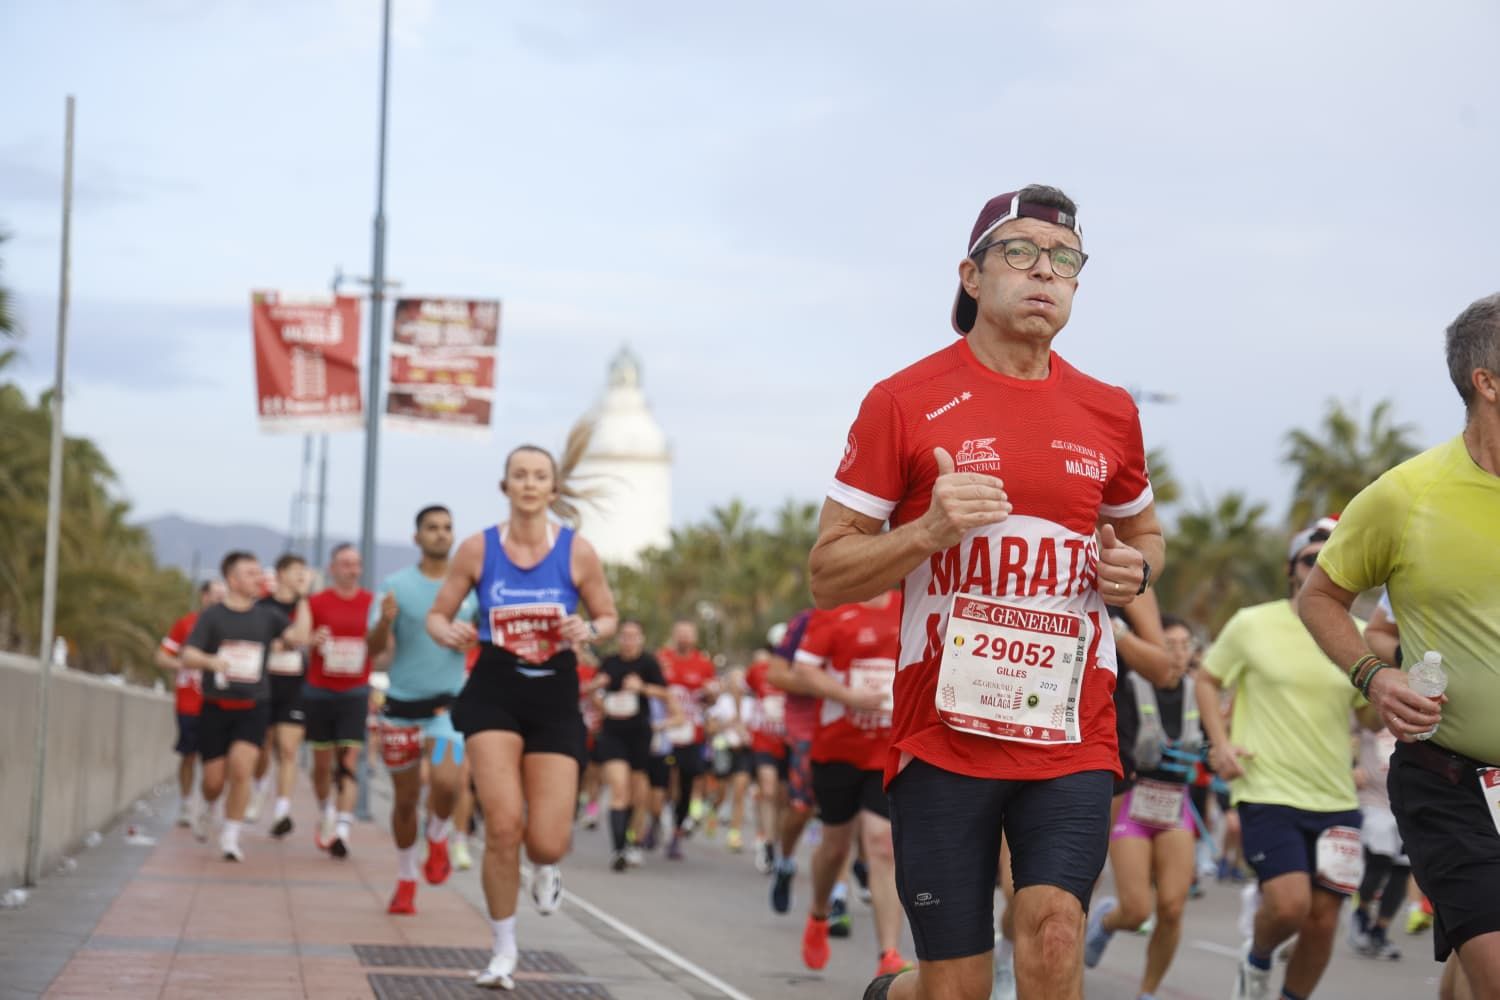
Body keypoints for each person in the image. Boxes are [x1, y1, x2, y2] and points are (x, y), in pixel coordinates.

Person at [808, 185, 1161, 1000]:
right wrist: (927, 532)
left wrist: (1135, 571)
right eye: (1020, 252)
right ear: (971, 275)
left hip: (1071, 727)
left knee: (1052, 935)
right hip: (944, 734)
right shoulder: (904, 400)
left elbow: (1144, 536)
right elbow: (827, 573)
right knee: (955, 990)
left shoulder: (1109, 411)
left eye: (1065, 259)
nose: (1046, 271)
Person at [1299, 293, 1500, 1000]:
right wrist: (1373, 677)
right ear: (1488, 382)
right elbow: (1319, 597)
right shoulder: (1407, 496)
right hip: (1451, 780)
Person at [427, 440, 618, 991]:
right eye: (520, 475)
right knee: (504, 824)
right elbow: (439, 617)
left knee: (545, 841)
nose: (530, 484)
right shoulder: (477, 549)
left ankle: (548, 865)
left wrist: (590, 629)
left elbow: (606, 615)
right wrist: (452, 630)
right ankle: (504, 948)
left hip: (555, 692)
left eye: (540, 476)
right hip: (494, 688)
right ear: (505, 486)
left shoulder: (577, 552)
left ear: (553, 489)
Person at [1197, 519, 1382, 1000]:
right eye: (1310, 558)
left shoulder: (1360, 634)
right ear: (1292, 569)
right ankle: (1256, 960)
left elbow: (1368, 717)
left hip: (1337, 795)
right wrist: (1219, 742)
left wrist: (1401, 695)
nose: (1321, 565)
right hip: (1267, 787)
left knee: (1323, 922)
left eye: (1331, 557)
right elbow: (1207, 679)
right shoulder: (1252, 623)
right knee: (1288, 905)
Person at [794, 590, 912, 979]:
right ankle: (817, 914)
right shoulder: (834, 611)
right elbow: (803, 671)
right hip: (838, 749)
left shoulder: (908, 602)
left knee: (882, 843)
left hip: (886, 748)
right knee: (835, 847)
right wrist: (850, 696)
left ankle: (889, 954)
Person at [366, 505, 478, 915]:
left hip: (447, 705)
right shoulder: (396, 586)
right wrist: (383, 623)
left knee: (448, 784)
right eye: (432, 528)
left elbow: (489, 634)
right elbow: (374, 650)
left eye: (447, 527)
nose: (440, 534)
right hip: (400, 707)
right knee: (405, 800)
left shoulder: (467, 588)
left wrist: (474, 638)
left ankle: (439, 834)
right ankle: (406, 877)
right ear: (417, 537)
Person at [1084, 614, 1201, 998]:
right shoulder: (1127, 685)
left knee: (1171, 908)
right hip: (1132, 803)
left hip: (1175, 807)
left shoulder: (1199, 690)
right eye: (1170, 645)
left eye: (1186, 645)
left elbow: (1212, 746)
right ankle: (1106, 922)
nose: (1180, 653)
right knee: (1136, 911)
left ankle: (1147, 992)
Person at [179, 552, 309, 861]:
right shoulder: (213, 616)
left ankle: (230, 836)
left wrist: (303, 598)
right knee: (213, 780)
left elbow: (299, 638)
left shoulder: (267, 616)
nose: (259, 579)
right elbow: (188, 655)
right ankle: (208, 803)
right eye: (251, 573)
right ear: (233, 580)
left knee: (242, 769)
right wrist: (213, 661)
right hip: (215, 706)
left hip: (253, 705)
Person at [303, 543, 376, 858]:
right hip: (320, 689)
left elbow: (384, 642)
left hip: (356, 690)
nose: (352, 569)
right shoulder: (316, 602)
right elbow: (301, 638)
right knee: (322, 766)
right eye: (345, 563)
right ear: (332, 568)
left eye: (356, 563)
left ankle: (343, 829)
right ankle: (326, 813)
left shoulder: (372, 603)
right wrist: (311, 641)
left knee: (348, 760)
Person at [591, 620, 669, 870]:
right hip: (613, 733)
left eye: (633, 636)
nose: (628, 640)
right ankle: (618, 849)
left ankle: (633, 842)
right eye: (624, 636)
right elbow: (592, 692)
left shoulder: (648, 663)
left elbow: (666, 694)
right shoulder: (609, 662)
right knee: (619, 789)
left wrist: (642, 688)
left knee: (638, 794)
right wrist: (598, 693)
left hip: (639, 734)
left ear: (641, 639)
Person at [155, 580, 225, 831]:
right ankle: (186, 805)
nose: (218, 600)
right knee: (189, 755)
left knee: (216, 759)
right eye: (214, 596)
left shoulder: (230, 626)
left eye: (222, 596)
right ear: (203, 597)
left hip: (218, 703)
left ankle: (211, 804)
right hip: (188, 703)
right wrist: (184, 664)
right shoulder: (186, 624)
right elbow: (161, 656)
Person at [767, 609, 820, 914]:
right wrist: (829, 686)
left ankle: (837, 896)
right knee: (801, 810)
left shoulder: (887, 611)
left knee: (846, 819)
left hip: (855, 729)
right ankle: (785, 862)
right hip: (807, 731)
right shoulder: (804, 622)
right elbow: (776, 674)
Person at [256, 554, 310, 838]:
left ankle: (282, 811)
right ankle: (259, 786)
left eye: (304, 571)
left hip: (296, 686)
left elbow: (304, 637)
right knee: (263, 746)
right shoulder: (262, 606)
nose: (301, 575)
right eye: (295, 571)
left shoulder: (306, 606)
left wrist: (303, 599)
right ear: (280, 573)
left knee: (288, 750)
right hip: (265, 684)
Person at [659, 621, 718, 860]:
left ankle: (675, 832)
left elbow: (711, 700)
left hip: (692, 733)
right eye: (680, 634)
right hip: (664, 731)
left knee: (685, 782)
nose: (684, 638)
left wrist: (712, 694)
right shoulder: (662, 659)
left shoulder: (704, 665)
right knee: (663, 779)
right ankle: (655, 817)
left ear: (694, 638)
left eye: (688, 635)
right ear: (674, 636)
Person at [746, 646, 789, 874]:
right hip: (763, 740)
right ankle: (768, 844)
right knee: (768, 789)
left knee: (783, 798)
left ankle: (779, 844)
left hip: (789, 743)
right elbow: (737, 685)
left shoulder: (800, 670)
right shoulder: (759, 670)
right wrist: (737, 718)